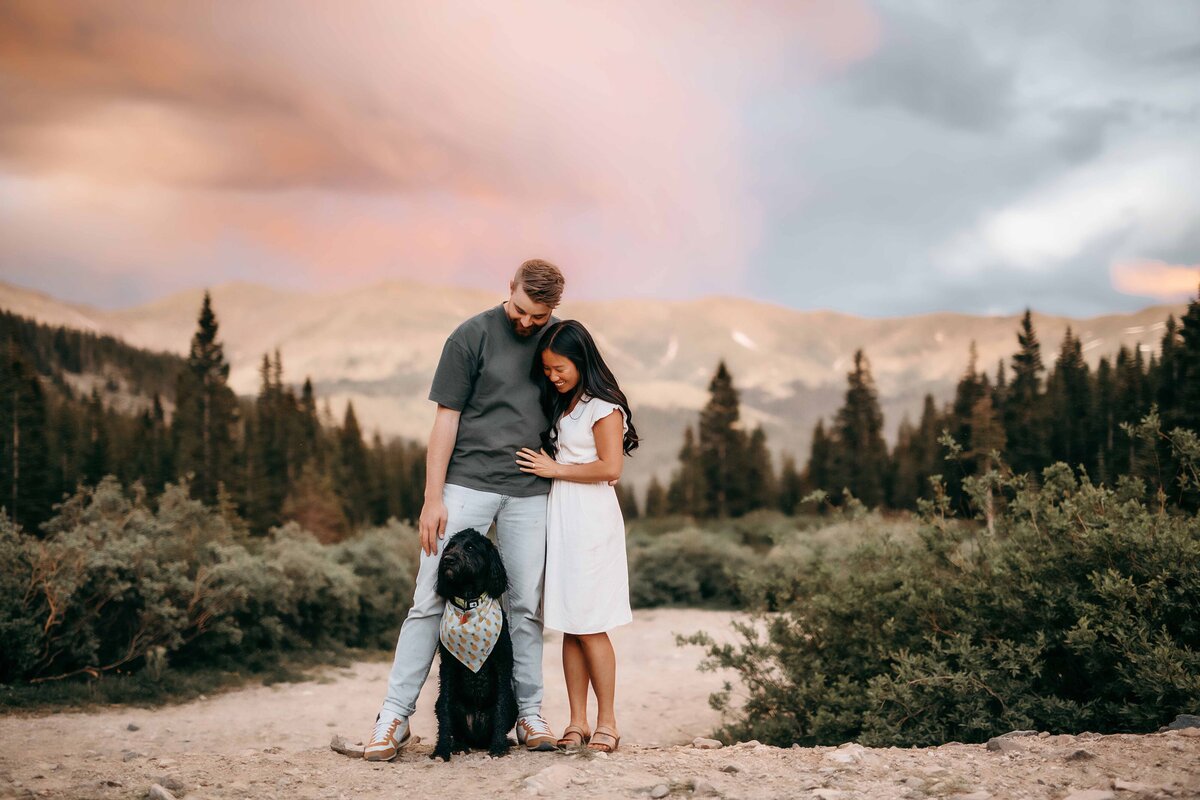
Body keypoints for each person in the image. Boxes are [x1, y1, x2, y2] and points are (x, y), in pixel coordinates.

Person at [364, 259, 565, 761]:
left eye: (537, 317)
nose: (526, 323)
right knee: (430, 599)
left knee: (522, 606)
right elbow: (445, 420)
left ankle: (528, 714)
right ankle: (394, 717)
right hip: (466, 485)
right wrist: (434, 498)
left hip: (529, 490)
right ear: (509, 287)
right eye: (520, 310)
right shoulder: (469, 336)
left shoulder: (555, 339)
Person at [515, 320, 639, 754]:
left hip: (590, 519)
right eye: (547, 370)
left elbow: (610, 468)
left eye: (559, 367)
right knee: (570, 623)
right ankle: (577, 721)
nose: (553, 376)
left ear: (581, 358)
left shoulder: (603, 408)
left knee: (592, 625)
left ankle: (608, 721)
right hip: (563, 516)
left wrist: (555, 469)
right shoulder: (567, 405)